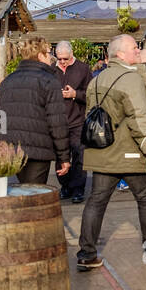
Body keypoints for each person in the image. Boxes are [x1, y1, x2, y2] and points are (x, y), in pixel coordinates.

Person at [77, 35, 146, 270]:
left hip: (101, 152)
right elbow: (139, 118)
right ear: (120, 54)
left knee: (96, 201)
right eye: (134, 48)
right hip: (128, 153)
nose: (137, 51)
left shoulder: (96, 80)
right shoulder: (130, 79)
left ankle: (86, 254)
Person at [0, 35, 70, 186]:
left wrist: (0, 145)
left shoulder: (7, 81)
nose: (51, 57)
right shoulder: (49, 81)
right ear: (41, 55)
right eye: (49, 53)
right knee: (35, 195)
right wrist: (64, 157)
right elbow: (57, 122)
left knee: (23, 189)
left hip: (13, 148)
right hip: (39, 150)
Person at [54, 40, 92, 203]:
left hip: (77, 120)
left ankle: (78, 188)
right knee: (60, 155)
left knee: (79, 155)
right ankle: (65, 186)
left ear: (71, 55)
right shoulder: (51, 70)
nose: (62, 62)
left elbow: (90, 94)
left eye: (65, 58)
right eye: (59, 58)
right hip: (58, 120)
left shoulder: (83, 69)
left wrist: (75, 94)